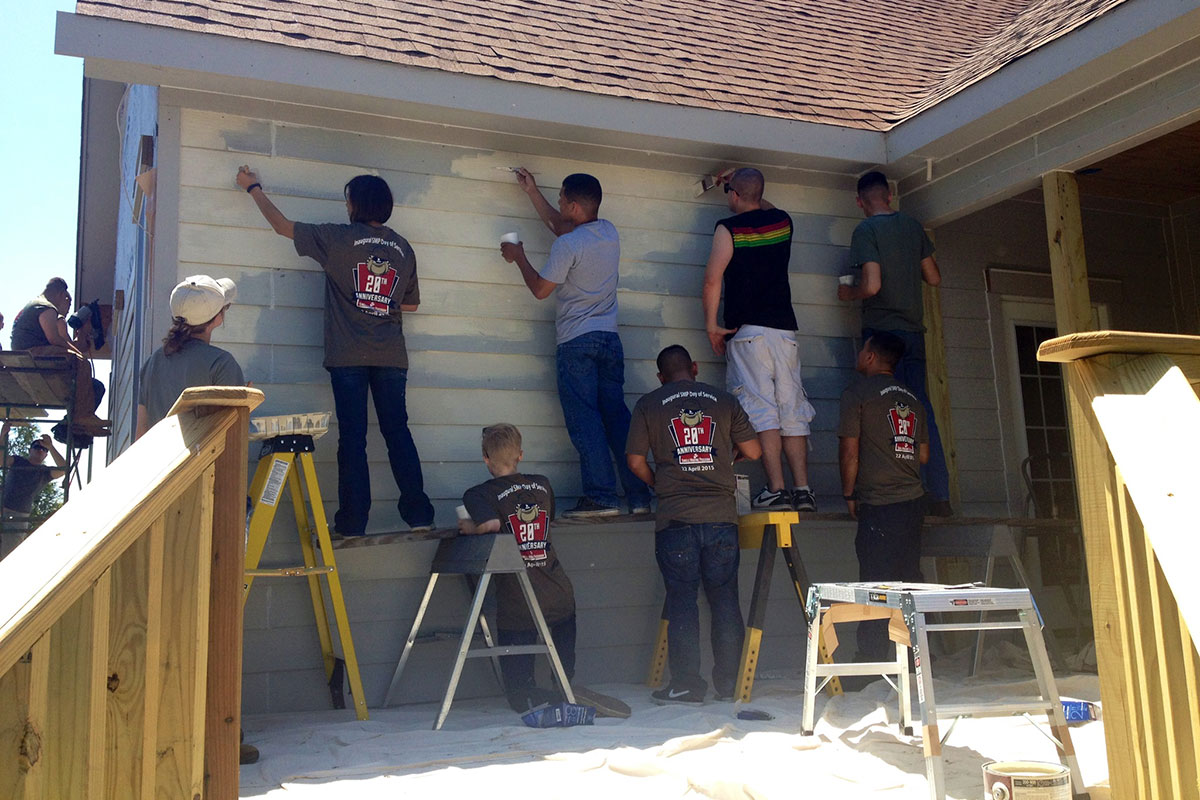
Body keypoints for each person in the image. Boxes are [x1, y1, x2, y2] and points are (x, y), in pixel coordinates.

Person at [237, 166, 435, 534]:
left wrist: (253, 189)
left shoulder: (337, 240)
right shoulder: (403, 247)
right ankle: (420, 515)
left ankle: (353, 521)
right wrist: (378, 299)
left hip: (348, 355)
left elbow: (282, 226)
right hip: (391, 355)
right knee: (398, 432)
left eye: (348, 200)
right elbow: (410, 304)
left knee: (354, 437)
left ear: (355, 206)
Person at [501, 169, 651, 518]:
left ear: (572, 206)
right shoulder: (608, 233)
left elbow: (541, 290)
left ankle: (601, 497)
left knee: (585, 420)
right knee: (616, 418)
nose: (558, 204)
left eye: (560, 200)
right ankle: (638, 496)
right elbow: (560, 225)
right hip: (610, 340)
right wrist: (532, 192)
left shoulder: (568, 245)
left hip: (577, 343)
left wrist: (518, 256)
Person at [626, 345, 762, 704]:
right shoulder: (723, 401)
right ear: (696, 367)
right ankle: (731, 684)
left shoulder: (649, 404)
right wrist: (723, 461)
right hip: (721, 518)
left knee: (683, 601)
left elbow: (635, 460)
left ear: (661, 377)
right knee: (725, 600)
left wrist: (659, 482)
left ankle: (687, 685)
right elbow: (754, 451)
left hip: (675, 519)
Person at [702, 167, 817, 512]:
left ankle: (777, 490)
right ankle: (803, 490)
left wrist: (712, 325)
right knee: (791, 410)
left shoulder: (728, 228)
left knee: (764, 411)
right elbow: (759, 202)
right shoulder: (782, 222)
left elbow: (712, 281)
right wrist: (742, 186)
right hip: (785, 333)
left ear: (734, 195)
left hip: (749, 334)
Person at [839, 170, 951, 516]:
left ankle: (886, 493)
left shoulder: (867, 230)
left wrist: (849, 292)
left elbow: (871, 286)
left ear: (860, 202)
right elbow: (933, 277)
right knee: (920, 411)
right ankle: (937, 494)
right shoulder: (912, 227)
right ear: (889, 195)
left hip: (882, 334)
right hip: (914, 334)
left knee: (875, 413)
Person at [458, 423, 577, 712]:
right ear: (520, 455)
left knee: (518, 681)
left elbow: (491, 525)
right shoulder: (543, 484)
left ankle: (524, 694)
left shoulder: (478, 494)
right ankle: (564, 689)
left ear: (486, 458)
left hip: (519, 597)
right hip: (557, 588)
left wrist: (468, 527)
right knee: (562, 648)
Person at [838, 332, 928, 669]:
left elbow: (849, 451)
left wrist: (849, 493)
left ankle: (871, 662)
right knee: (909, 580)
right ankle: (913, 658)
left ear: (872, 356)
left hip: (879, 502)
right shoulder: (912, 399)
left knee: (875, 582)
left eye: (863, 349)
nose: (859, 354)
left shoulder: (858, 393)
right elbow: (922, 454)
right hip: (913, 500)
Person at [135, 275, 245, 438]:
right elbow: (230, 437)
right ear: (218, 318)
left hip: (159, 462)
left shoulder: (152, 363)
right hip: (202, 464)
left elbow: (141, 433)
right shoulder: (221, 364)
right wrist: (246, 404)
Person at [11, 278, 109, 436]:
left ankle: (83, 421)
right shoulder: (46, 307)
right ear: (61, 294)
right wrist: (77, 353)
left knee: (81, 366)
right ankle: (82, 416)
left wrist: (80, 339)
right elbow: (55, 339)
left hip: (28, 356)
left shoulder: (35, 304)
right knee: (81, 363)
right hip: (33, 353)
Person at [1, 424, 66, 559]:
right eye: (37, 447)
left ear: (46, 454)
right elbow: (1, 460)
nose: (40, 450)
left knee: (9, 556)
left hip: (19, 517)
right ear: (30, 450)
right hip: (2, 509)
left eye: (43, 449)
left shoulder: (44, 472)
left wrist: (51, 447)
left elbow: (64, 469)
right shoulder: (18, 461)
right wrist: (2, 436)